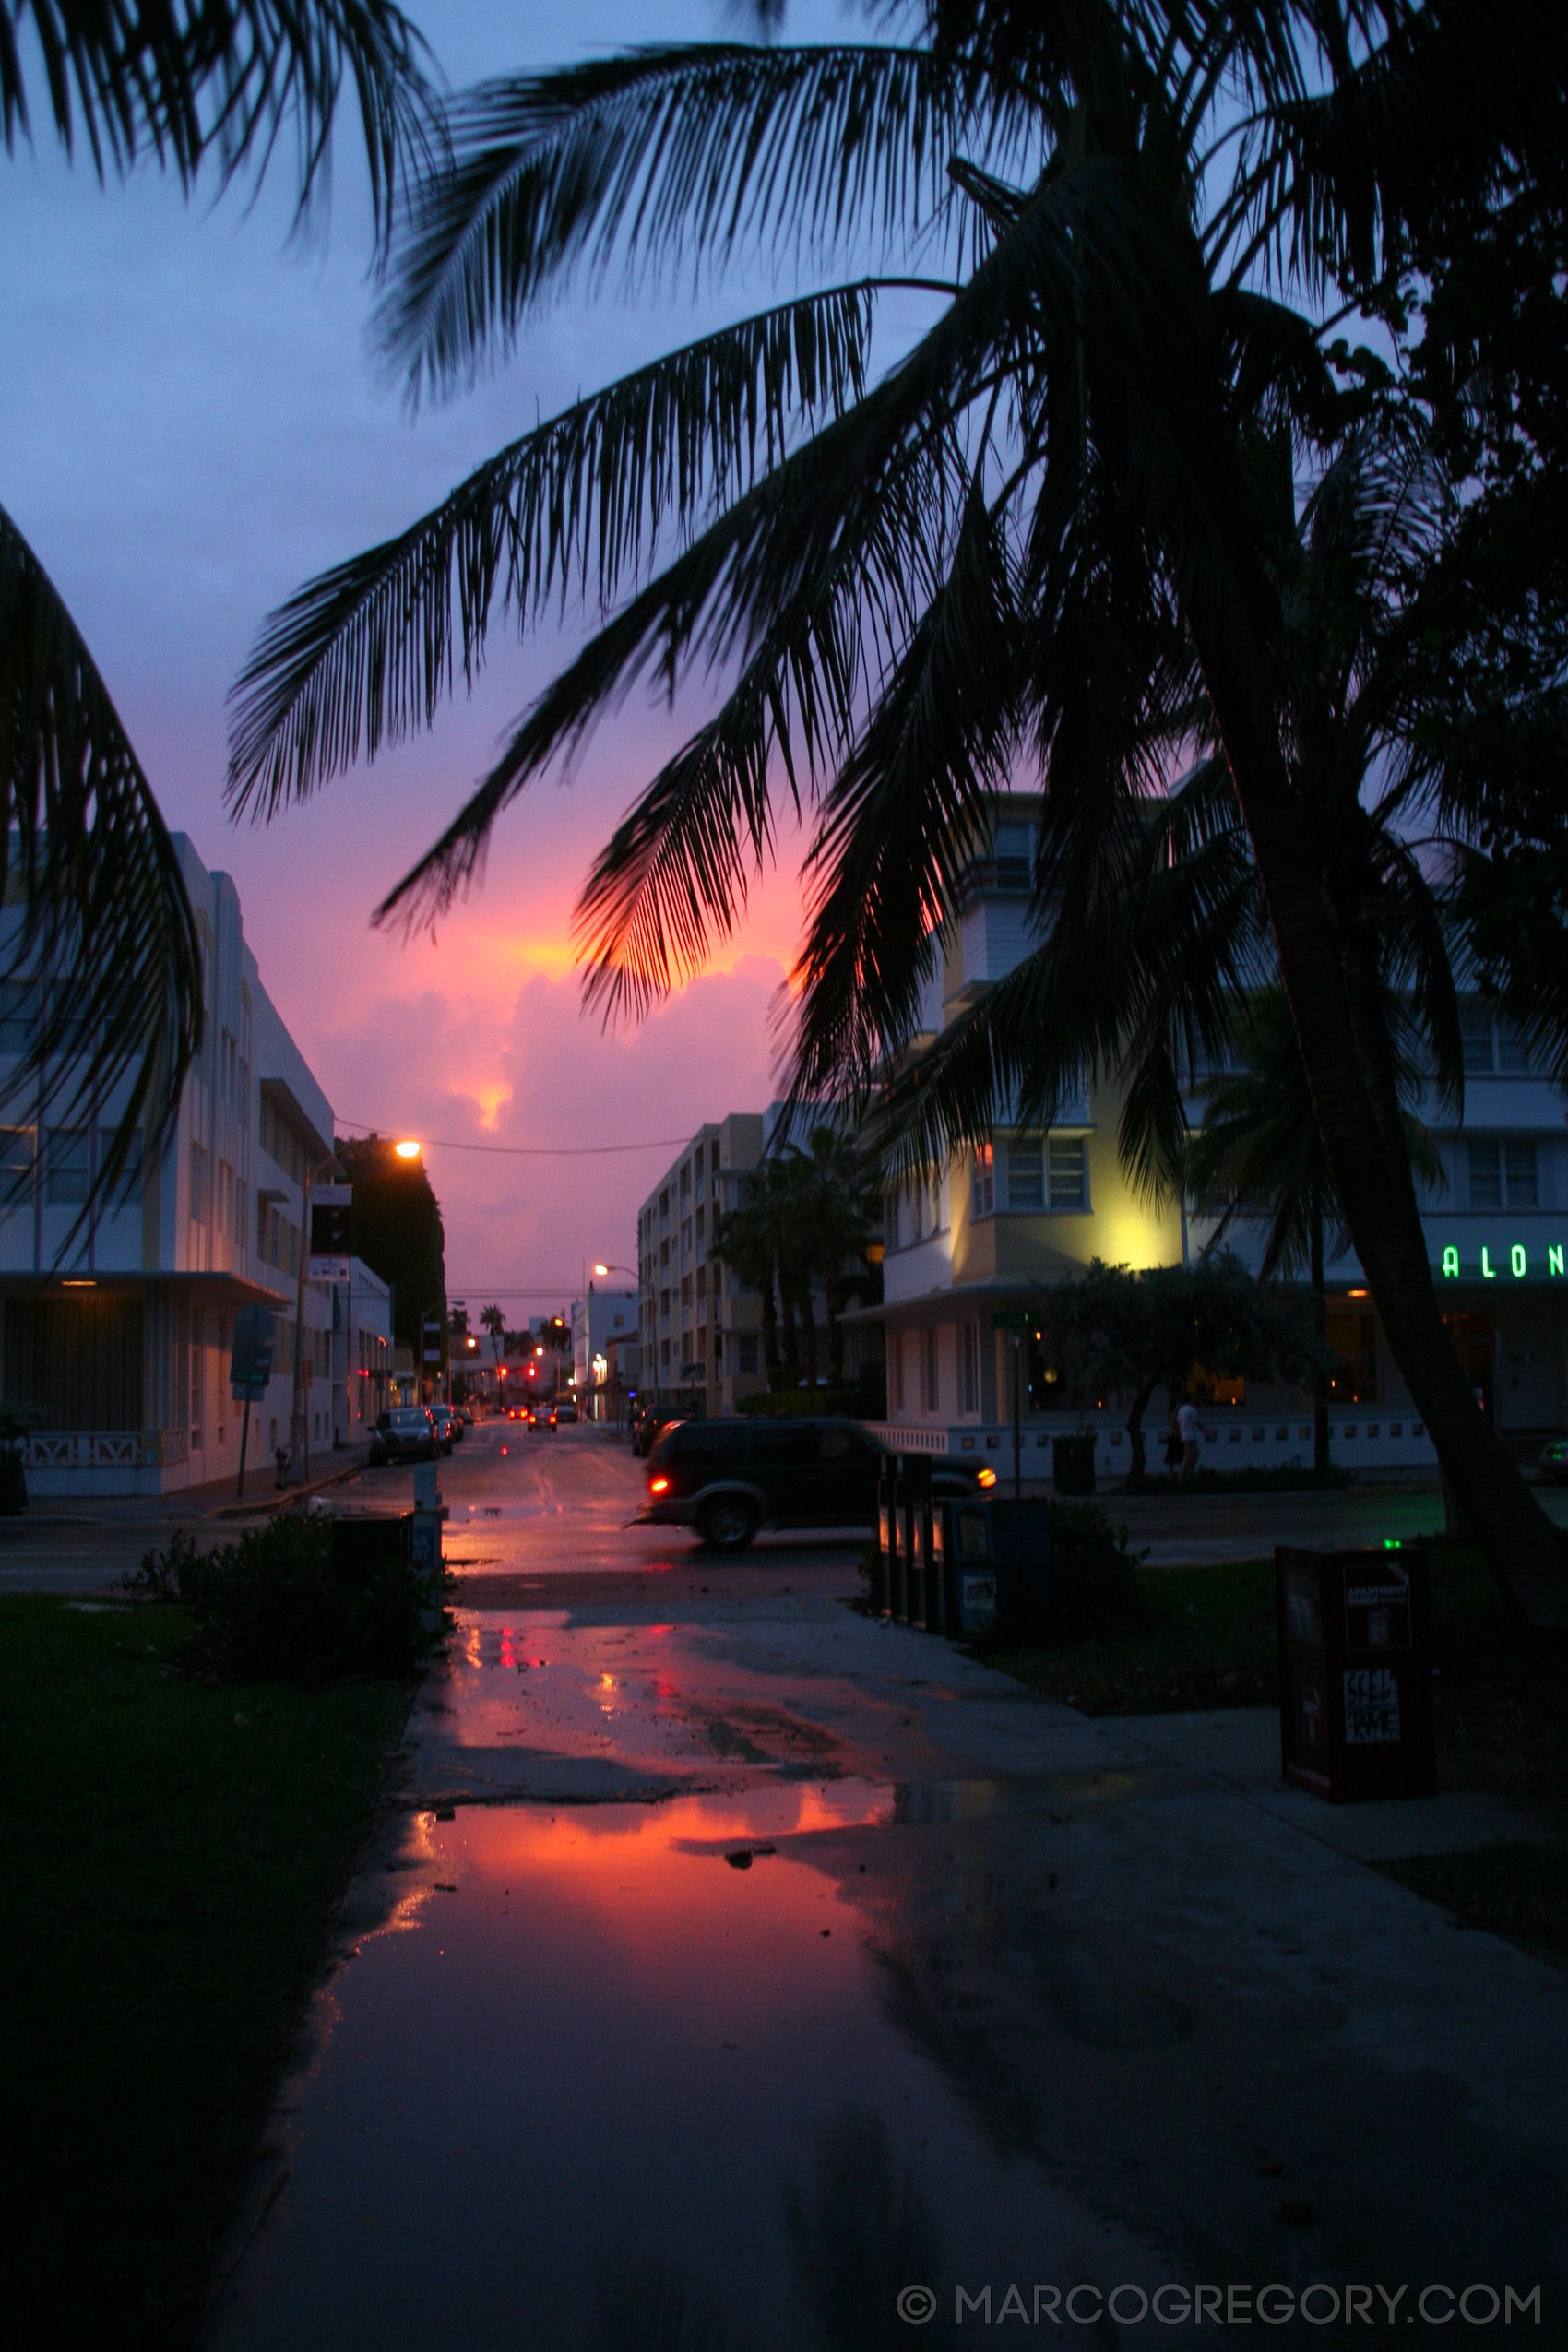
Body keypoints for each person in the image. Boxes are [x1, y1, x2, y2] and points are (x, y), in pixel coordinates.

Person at [1177, 1397, 1200, 1487]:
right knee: (1189, 1455)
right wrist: (1205, 1431)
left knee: (1194, 1454)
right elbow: (1196, 1421)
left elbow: (1179, 1422)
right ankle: (1183, 1474)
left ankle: (1188, 1472)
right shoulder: (1191, 1410)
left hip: (1185, 1435)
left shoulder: (1181, 1410)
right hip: (1190, 1435)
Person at [1164, 1408, 1183, 1476]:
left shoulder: (1172, 1416)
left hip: (1173, 1436)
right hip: (1175, 1437)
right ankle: (1177, 1473)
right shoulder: (1175, 1416)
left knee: (1173, 1457)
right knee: (1178, 1456)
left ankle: (1172, 1473)